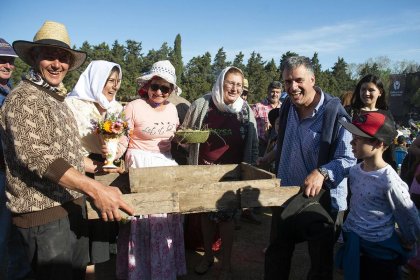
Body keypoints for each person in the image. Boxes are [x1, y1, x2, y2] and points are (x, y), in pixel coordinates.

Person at [0, 21, 133, 280]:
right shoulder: (24, 98)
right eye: (49, 55)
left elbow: (65, 153)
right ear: (34, 57)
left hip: (68, 206)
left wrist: (97, 168)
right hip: (43, 216)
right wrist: (96, 188)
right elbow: (38, 156)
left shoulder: (54, 98)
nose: (57, 64)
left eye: (63, 58)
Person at [264, 56, 356, 280]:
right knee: (277, 253)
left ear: (312, 79)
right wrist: (268, 158)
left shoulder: (334, 112)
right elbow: (287, 144)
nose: (292, 87)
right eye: (287, 82)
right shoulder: (287, 106)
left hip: (322, 201)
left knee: (320, 263)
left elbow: (348, 158)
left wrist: (322, 172)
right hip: (286, 194)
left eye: (298, 80)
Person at [182, 66, 258, 279]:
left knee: (227, 220)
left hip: (232, 173)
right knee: (207, 215)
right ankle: (207, 257)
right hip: (204, 172)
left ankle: (225, 264)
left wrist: (250, 169)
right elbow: (185, 133)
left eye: (239, 85)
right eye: (230, 83)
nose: (234, 88)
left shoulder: (245, 110)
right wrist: (189, 138)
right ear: (221, 82)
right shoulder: (202, 104)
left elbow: (252, 143)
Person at [115, 60, 186, 280]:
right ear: (147, 85)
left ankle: (164, 270)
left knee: (166, 220)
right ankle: (142, 271)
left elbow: (173, 140)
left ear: (171, 91)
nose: (158, 92)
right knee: (144, 221)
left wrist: (186, 140)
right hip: (141, 164)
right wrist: (111, 156)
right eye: (155, 86)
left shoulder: (173, 109)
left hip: (165, 165)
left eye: (165, 88)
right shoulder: (134, 106)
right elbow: (121, 138)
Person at [336, 111, 420, 279]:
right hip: (356, 244)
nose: (352, 142)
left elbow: (407, 213)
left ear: (379, 143)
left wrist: (409, 238)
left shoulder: (389, 180)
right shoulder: (355, 171)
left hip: (379, 252)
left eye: (358, 138)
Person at [65, 60, 124, 277]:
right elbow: (66, 147)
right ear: (96, 79)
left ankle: (94, 274)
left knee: (99, 233)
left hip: (105, 172)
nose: (114, 86)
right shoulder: (73, 105)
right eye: (110, 80)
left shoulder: (116, 108)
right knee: (81, 232)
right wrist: (92, 165)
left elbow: (122, 139)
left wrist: (114, 154)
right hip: (79, 172)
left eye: (117, 81)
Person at [0, 38, 31, 279]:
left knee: (13, 231)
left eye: (10, 60)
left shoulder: (12, 91)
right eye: (2, 60)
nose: (7, 65)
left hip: (12, 171)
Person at [350, 74, 398, 170]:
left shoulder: (385, 115)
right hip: (353, 166)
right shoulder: (350, 112)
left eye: (371, 90)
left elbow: (389, 145)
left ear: (380, 92)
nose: (366, 93)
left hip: (376, 168)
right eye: (363, 89)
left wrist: (392, 166)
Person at [252, 81, 282, 157]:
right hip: (261, 145)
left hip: (277, 146)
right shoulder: (257, 107)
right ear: (268, 92)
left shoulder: (283, 108)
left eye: (277, 92)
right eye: (272, 91)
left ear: (281, 93)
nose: (275, 94)